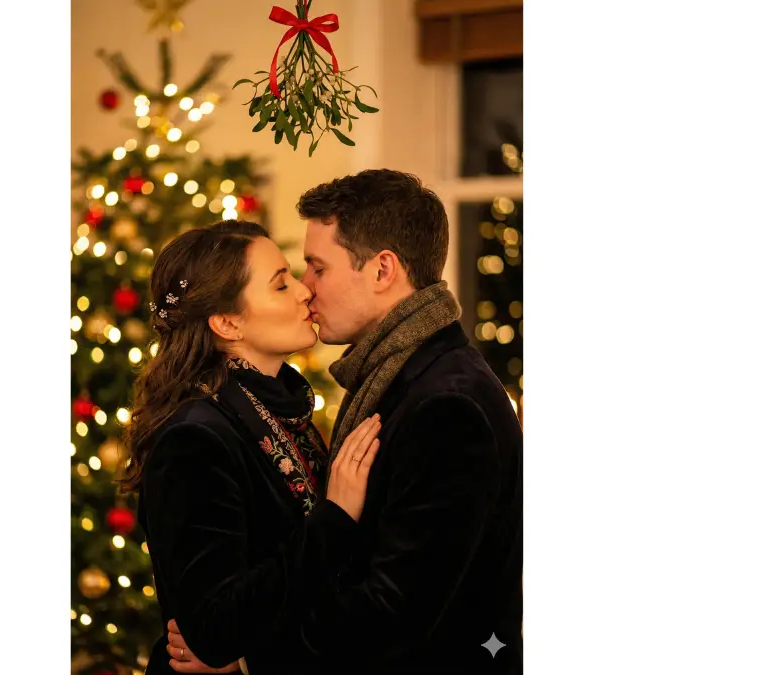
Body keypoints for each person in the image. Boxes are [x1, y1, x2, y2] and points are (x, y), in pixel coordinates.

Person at [168, 169, 524, 674]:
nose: (306, 290)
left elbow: (394, 610)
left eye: (316, 268)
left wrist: (249, 656)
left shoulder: (446, 405)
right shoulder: (401, 378)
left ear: (382, 271)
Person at [122, 219, 385, 675]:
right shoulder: (194, 438)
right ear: (227, 323)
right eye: (281, 285)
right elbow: (213, 627)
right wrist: (335, 519)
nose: (305, 291)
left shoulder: (280, 409)